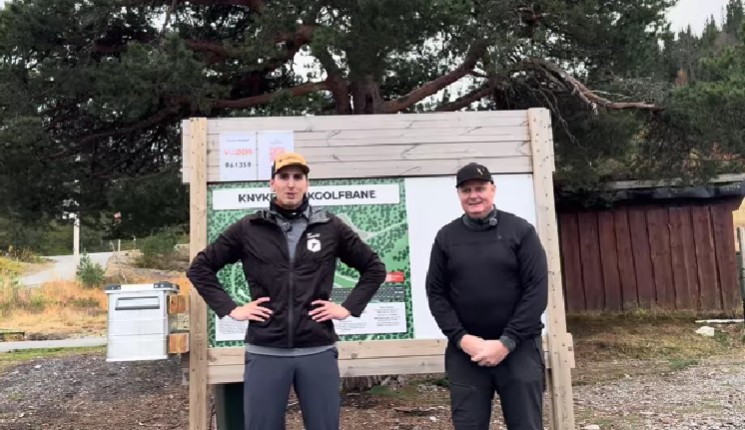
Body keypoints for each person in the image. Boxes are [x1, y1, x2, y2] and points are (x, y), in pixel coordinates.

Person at [186, 151, 386, 430]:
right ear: (272, 183)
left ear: (306, 183)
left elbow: (374, 268)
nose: (291, 184)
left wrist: (348, 308)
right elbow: (200, 268)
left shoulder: (330, 227)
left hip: (317, 349)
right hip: (265, 350)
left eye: (298, 177)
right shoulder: (249, 228)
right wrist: (231, 309)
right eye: (283, 177)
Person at [424, 162, 549, 430]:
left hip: (519, 348)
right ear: (459, 194)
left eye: (480, 188)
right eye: (466, 190)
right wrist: (461, 338)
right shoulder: (446, 237)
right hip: (467, 353)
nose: (474, 196)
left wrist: (506, 342)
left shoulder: (521, 231)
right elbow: (436, 293)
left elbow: (536, 290)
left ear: (493, 189)